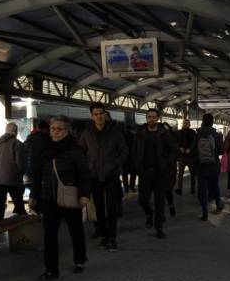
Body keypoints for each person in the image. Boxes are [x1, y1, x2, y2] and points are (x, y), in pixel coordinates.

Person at [29, 116, 91, 279]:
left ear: (66, 131)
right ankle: (51, 269)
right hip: (49, 198)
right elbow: (37, 175)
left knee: (75, 231)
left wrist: (84, 195)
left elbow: (84, 174)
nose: (55, 132)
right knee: (49, 234)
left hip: (70, 197)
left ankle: (79, 260)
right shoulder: (45, 149)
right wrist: (34, 195)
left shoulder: (75, 150)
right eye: (52, 129)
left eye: (59, 129)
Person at [77, 102, 128, 252]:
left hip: (111, 175)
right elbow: (80, 152)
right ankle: (104, 236)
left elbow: (124, 151)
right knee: (99, 208)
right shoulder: (87, 133)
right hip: (94, 176)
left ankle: (112, 238)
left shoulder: (115, 132)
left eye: (101, 113)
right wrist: (86, 167)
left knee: (111, 208)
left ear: (105, 114)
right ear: (92, 116)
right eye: (96, 114)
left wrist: (116, 164)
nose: (99, 116)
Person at [133, 108, 179, 238]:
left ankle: (159, 227)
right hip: (145, 173)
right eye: (149, 117)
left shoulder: (164, 134)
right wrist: (138, 167)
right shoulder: (140, 133)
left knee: (160, 202)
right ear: (146, 118)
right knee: (142, 200)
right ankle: (148, 213)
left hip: (160, 173)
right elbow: (134, 151)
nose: (151, 119)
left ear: (157, 118)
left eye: (154, 117)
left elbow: (175, 150)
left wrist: (166, 162)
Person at [0, 122, 25, 223]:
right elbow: (20, 163)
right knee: (19, 205)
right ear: (16, 132)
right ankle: (24, 230)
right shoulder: (18, 144)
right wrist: (21, 173)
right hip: (13, 180)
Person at [192, 112, 224, 220]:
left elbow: (192, 150)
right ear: (212, 122)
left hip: (201, 167)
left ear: (203, 121)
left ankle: (205, 212)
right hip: (214, 166)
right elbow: (221, 150)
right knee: (215, 186)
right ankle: (218, 204)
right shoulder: (216, 135)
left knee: (202, 189)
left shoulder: (197, 135)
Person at [24, 119, 49, 191]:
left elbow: (25, 150)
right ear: (46, 129)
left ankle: (33, 198)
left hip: (30, 166)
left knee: (33, 186)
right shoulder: (47, 138)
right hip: (42, 167)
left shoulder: (30, 137)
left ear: (38, 128)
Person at [174, 118, 197, 195]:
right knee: (180, 174)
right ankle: (179, 189)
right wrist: (179, 148)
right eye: (184, 123)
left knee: (192, 173)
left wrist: (190, 149)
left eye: (187, 123)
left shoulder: (193, 132)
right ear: (182, 124)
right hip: (181, 157)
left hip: (191, 157)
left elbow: (195, 143)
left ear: (189, 124)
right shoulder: (178, 132)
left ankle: (193, 188)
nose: (186, 124)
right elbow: (175, 142)